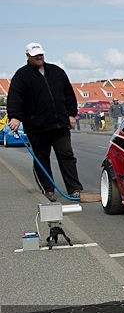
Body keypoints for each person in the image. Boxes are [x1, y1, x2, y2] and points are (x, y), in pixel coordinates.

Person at [6, 42, 85, 201]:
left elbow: (69, 94)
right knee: (41, 158)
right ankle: (48, 188)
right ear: (28, 56)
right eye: (35, 55)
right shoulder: (21, 76)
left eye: (41, 54)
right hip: (37, 127)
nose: (39, 57)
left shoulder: (57, 72)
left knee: (67, 156)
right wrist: (15, 116)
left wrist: (71, 114)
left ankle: (75, 189)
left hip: (59, 125)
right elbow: (15, 98)